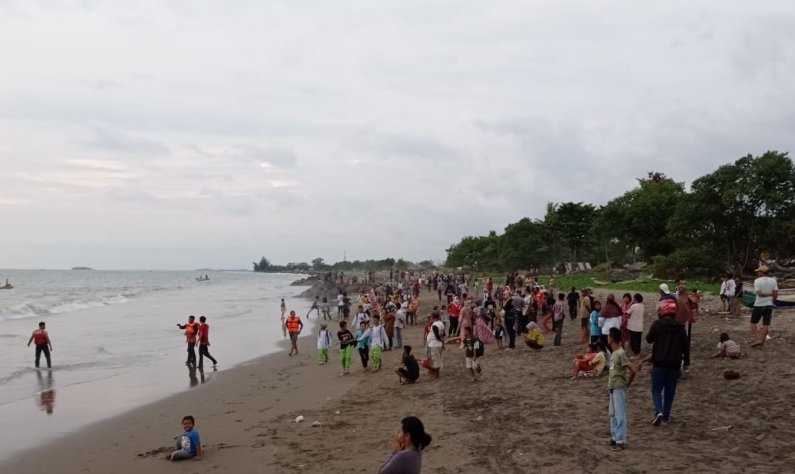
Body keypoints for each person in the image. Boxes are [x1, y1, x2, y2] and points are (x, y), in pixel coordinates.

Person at [646, 298, 689, 426]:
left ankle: (658, 411)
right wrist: (686, 363)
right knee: (670, 391)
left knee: (656, 390)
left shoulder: (657, 324)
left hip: (659, 362)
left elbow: (649, 339)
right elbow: (686, 346)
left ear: (663, 311)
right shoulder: (680, 327)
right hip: (675, 364)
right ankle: (666, 416)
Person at [607, 328, 636, 450]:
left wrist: (627, 383)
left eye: (609, 336)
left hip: (619, 387)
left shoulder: (620, 353)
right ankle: (615, 437)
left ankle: (621, 440)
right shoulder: (614, 353)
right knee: (613, 414)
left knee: (620, 414)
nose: (607, 338)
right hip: (613, 387)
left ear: (612, 338)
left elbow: (632, 369)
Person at [751, 265, 779, 348]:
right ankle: (762, 341)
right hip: (769, 304)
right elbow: (776, 294)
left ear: (761, 273)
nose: (757, 273)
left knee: (753, 323)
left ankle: (757, 339)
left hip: (759, 304)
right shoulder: (773, 281)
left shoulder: (757, 281)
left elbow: (760, 294)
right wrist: (772, 300)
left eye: (758, 272)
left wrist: (767, 295)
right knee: (766, 324)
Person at [425, 312, 445, 379]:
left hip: (434, 344)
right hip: (438, 344)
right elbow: (443, 334)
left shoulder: (435, 325)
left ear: (433, 317)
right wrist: (442, 341)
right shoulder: (441, 323)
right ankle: (436, 373)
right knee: (438, 359)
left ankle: (436, 374)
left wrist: (440, 340)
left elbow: (437, 336)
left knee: (435, 360)